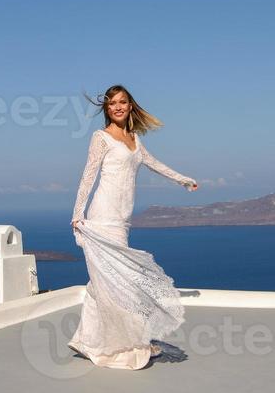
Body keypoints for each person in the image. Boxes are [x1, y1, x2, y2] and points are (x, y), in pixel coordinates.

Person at [69, 85, 199, 370]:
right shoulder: (100, 137)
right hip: (102, 217)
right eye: (112, 103)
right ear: (106, 108)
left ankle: (88, 341)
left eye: (122, 102)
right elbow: (88, 176)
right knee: (118, 284)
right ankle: (125, 345)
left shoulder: (135, 140)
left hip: (121, 219)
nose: (117, 107)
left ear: (130, 106)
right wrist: (77, 214)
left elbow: (154, 164)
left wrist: (183, 180)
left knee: (104, 283)